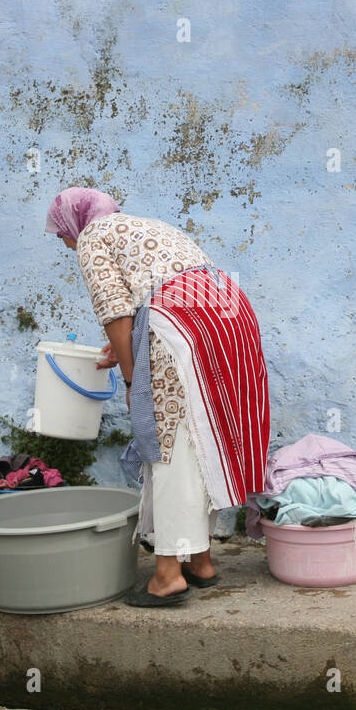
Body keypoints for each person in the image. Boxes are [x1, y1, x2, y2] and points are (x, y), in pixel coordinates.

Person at [45, 187, 270, 606]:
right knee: (203, 439)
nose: (65, 241)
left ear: (75, 220)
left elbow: (116, 311)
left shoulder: (93, 237)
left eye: (61, 233)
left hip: (183, 325)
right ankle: (200, 561)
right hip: (230, 318)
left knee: (170, 442)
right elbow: (158, 290)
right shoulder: (148, 225)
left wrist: (134, 382)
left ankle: (167, 575)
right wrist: (130, 348)